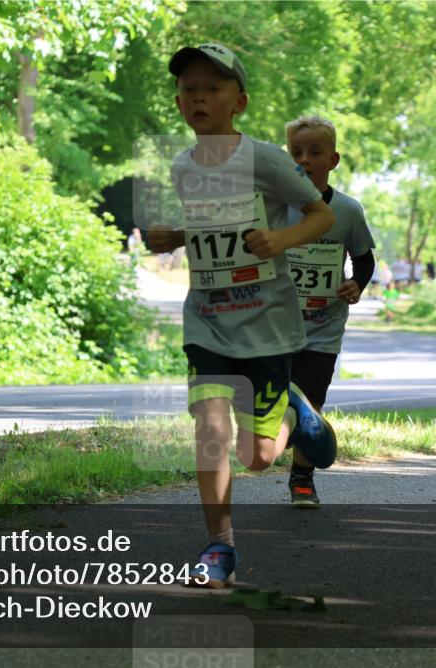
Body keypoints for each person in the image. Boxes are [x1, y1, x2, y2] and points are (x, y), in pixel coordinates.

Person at [150, 43, 337, 587]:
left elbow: (319, 215)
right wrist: (177, 236)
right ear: (180, 103)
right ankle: (219, 547)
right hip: (206, 320)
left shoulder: (265, 160)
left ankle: (293, 412)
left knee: (257, 458)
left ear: (241, 101)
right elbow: (215, 226)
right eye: (189, 88)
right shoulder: (183, 165)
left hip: (267, 325)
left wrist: (280, 239)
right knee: (210, 428)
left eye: (212, 87)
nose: (198, 96)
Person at [283, 115, 376, 507]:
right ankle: (294, 433)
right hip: (274, 325)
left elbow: (364, 260)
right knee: (272, 400)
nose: (304, 160)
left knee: (311, 403)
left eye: (314, 153)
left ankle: (302, 480)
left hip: (323, 329)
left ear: (333, 160)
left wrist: (356, 283)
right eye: (296, 153)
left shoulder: (348, 211)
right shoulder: (274, 208)